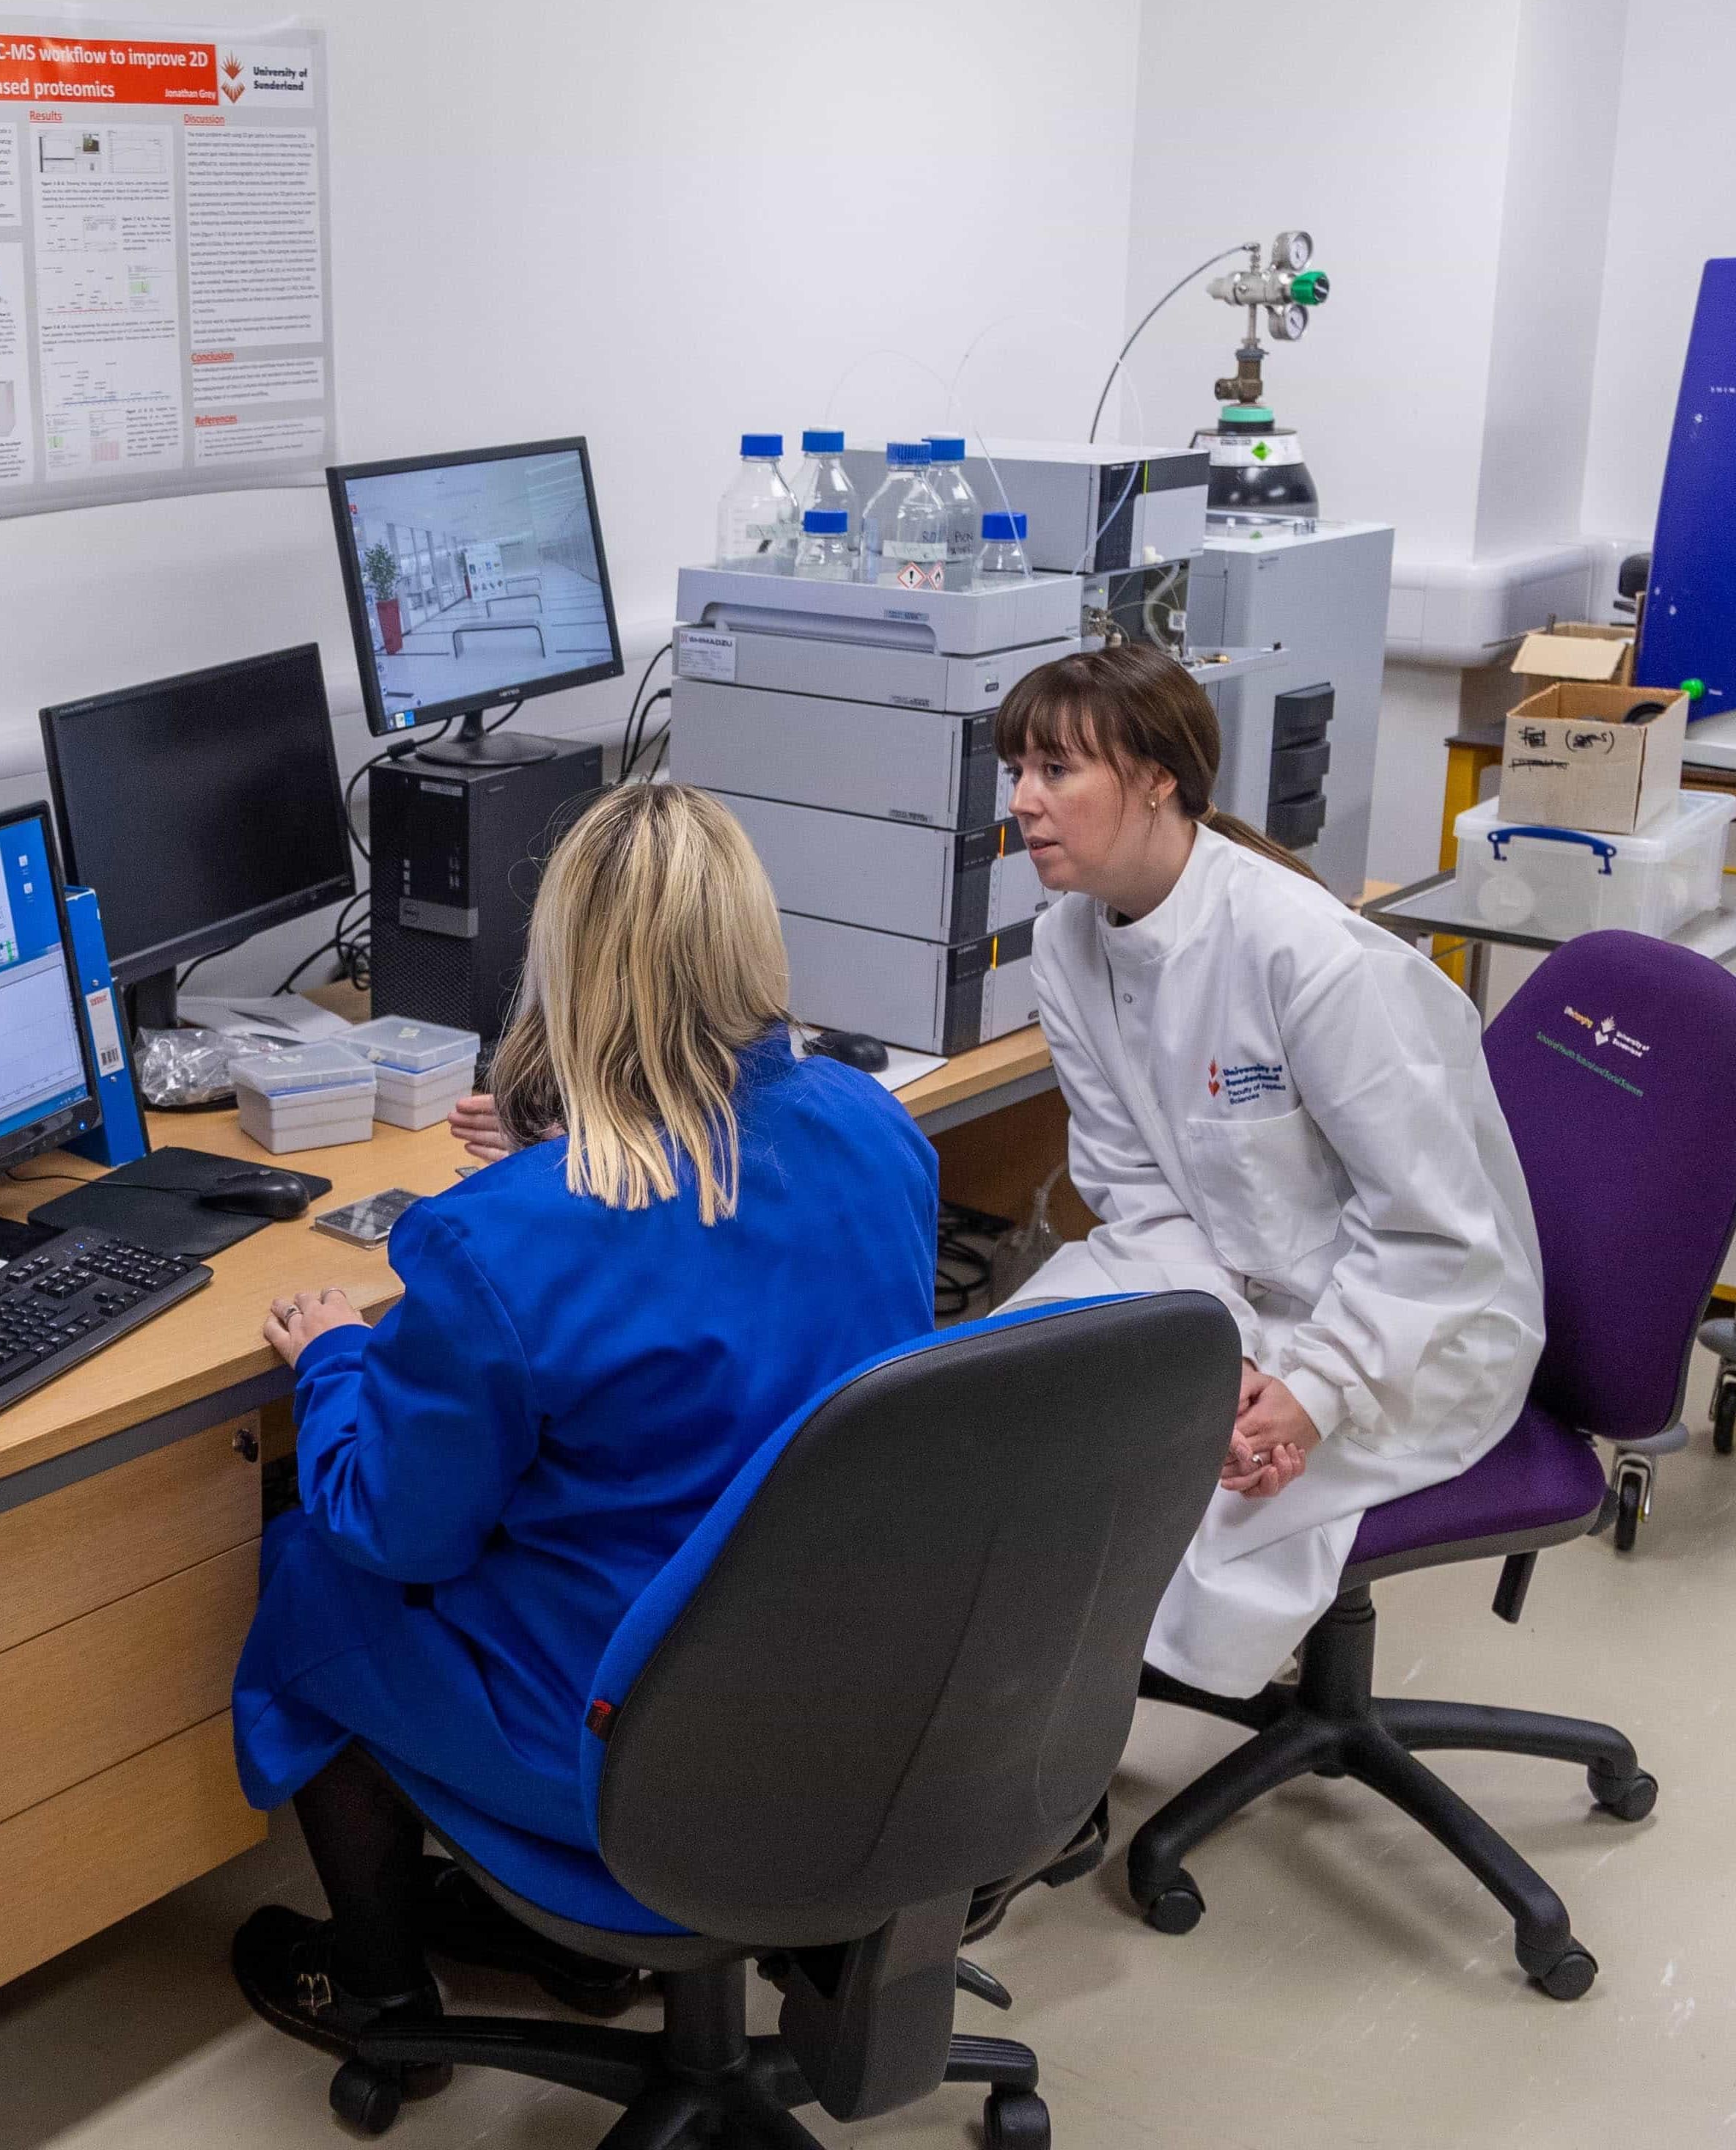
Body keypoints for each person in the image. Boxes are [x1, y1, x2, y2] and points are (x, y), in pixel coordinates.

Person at [229, 782, 945, 2085]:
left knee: (314, 1568)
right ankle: (573, 1944)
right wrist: (561, 1148)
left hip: (634, 1730)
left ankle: (388, 2003)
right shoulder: (876, 1129)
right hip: (860, 1694)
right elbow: (713, 1228)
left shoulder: (502, 1232)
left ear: (560, 965)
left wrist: (335, 1354)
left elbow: (394, 1526)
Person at [998, 642, 1545, 1702]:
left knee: (1161, 1501)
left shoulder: (1308, 955)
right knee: (990, 1399)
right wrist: (1219, 1350)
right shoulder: (1067, 942)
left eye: (1055, 770)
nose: (1022, 801)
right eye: (1016, 770)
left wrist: (1310, 1388)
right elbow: (1139, 1194)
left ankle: (1055, 1756)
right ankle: (1001, 1746)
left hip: (1408, 1329)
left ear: (1158, 777)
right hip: (1216, 1290)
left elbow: (1434, 1234)